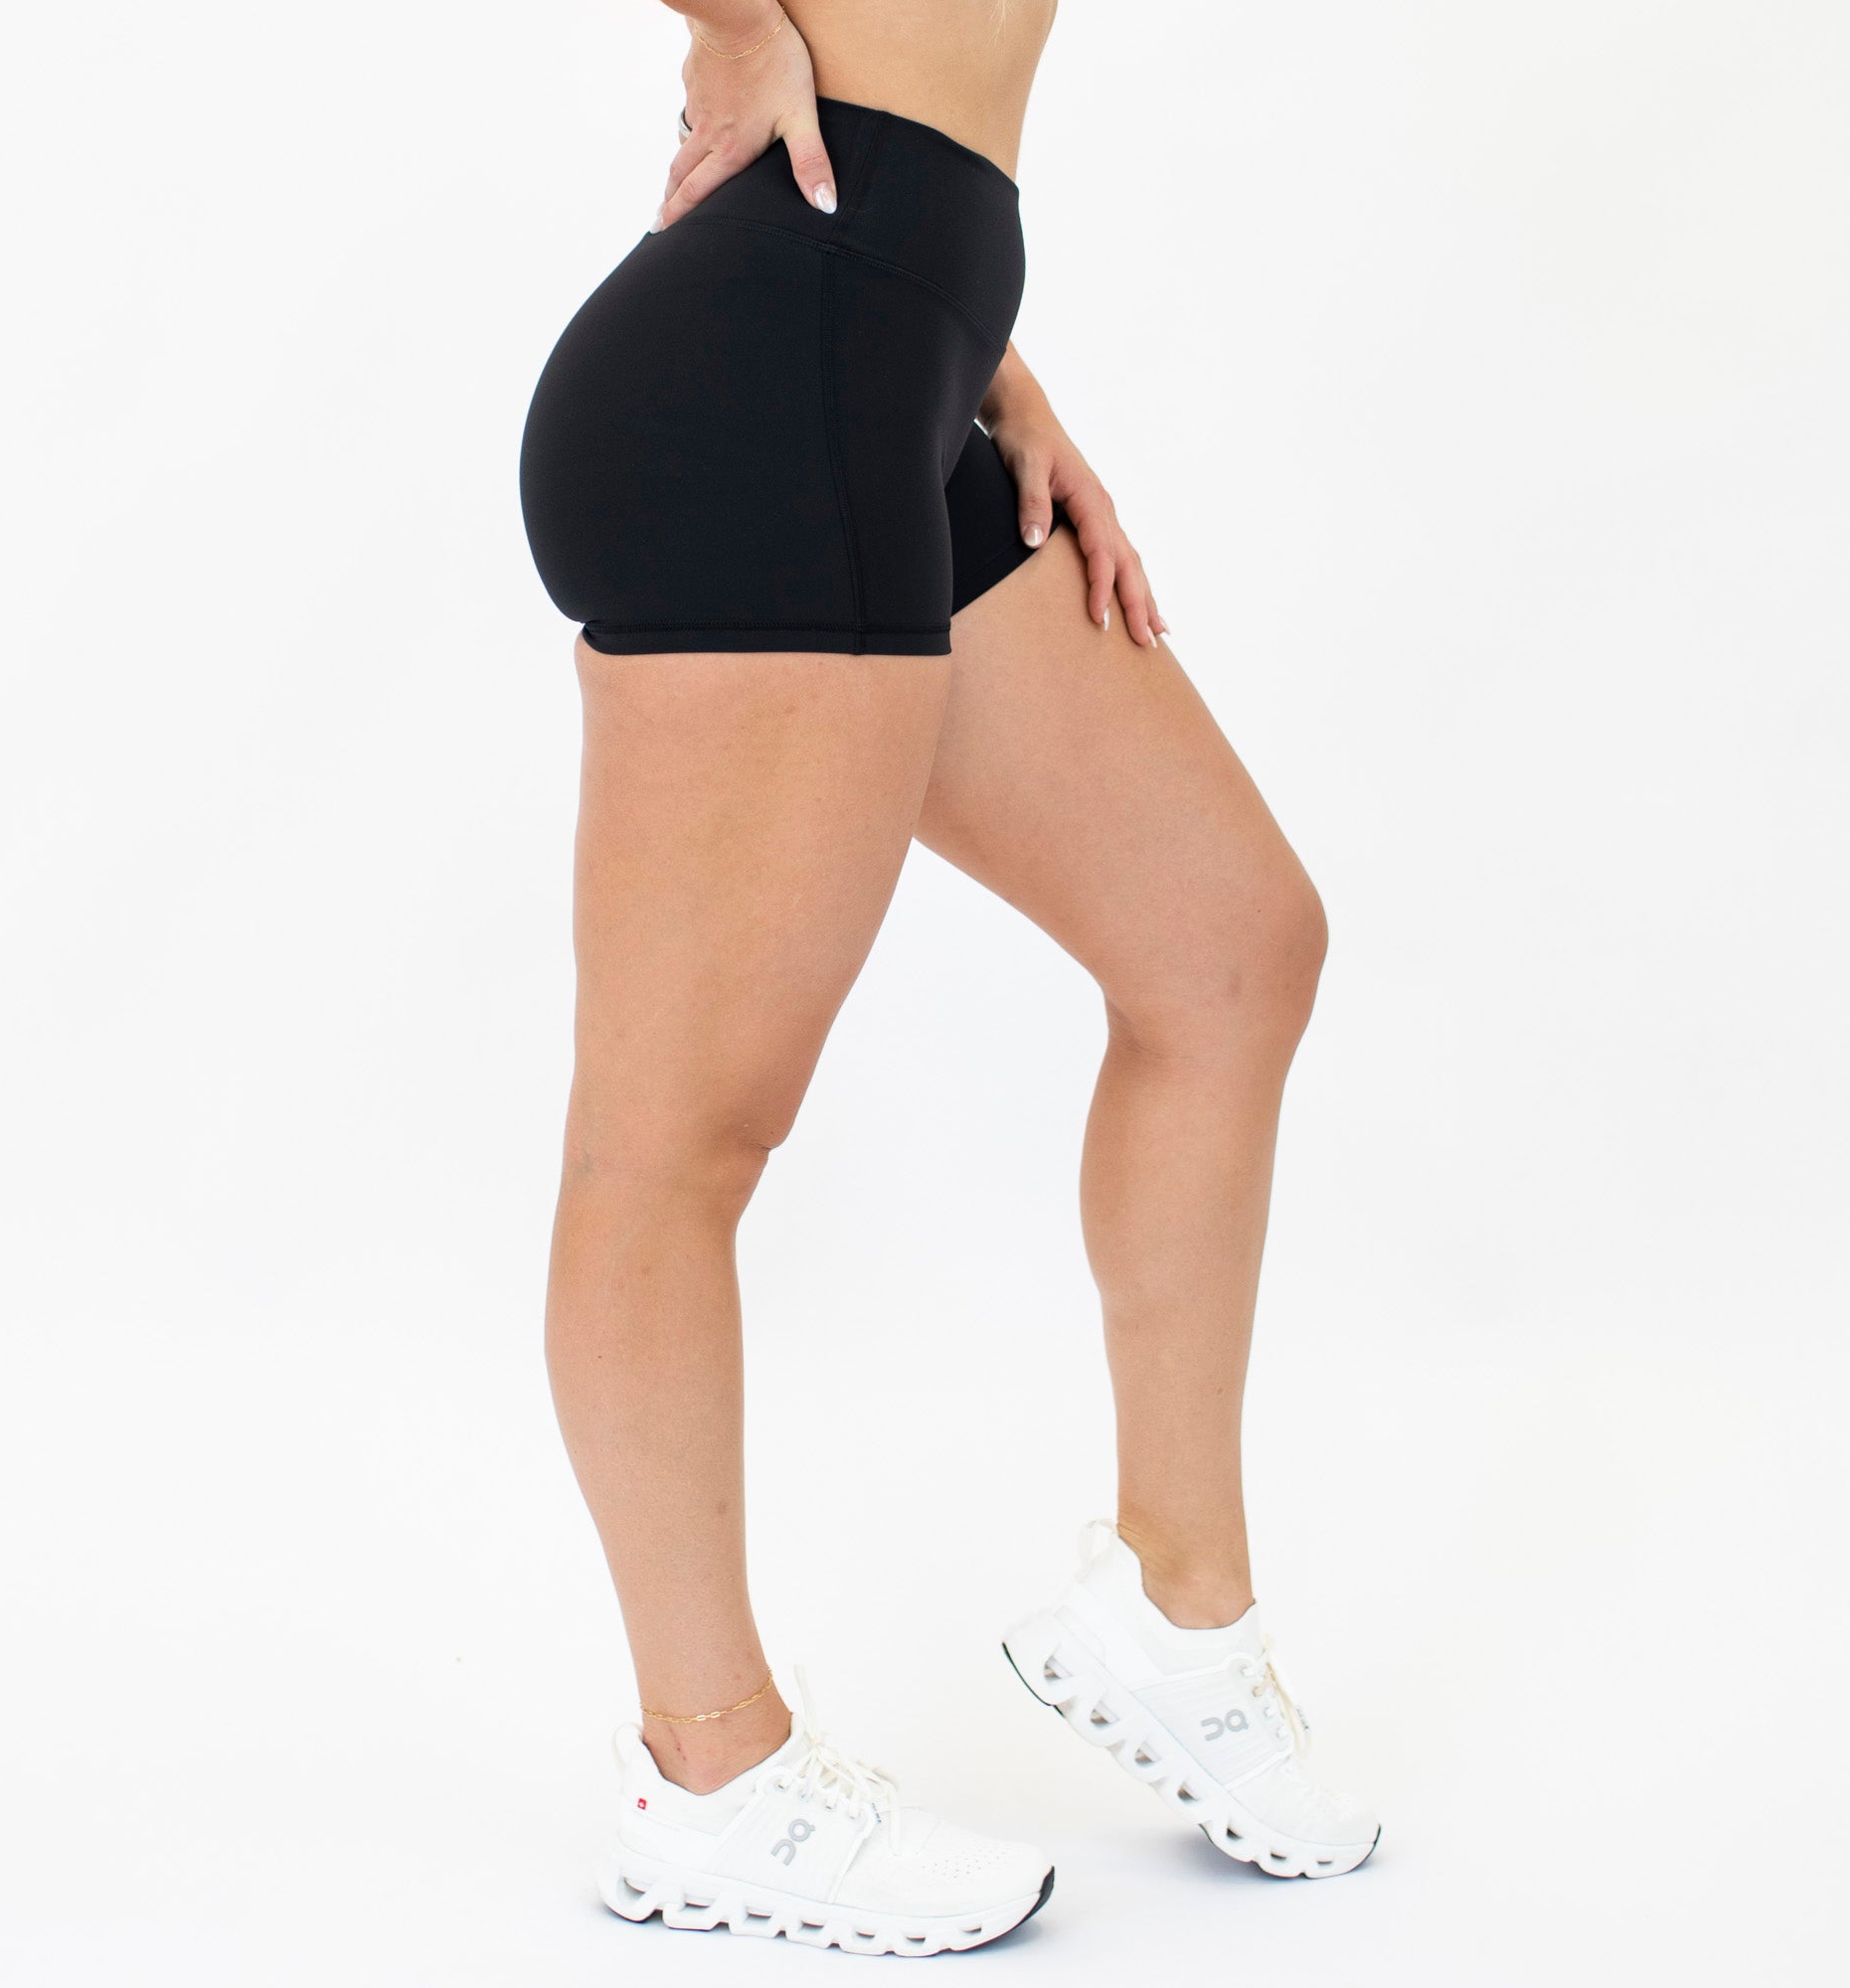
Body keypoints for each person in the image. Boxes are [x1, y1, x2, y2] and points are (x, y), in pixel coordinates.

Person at [518, 0, 1379, 1955]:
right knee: (677, 1138)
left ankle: (1175, 1614)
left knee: (1230, 951)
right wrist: (729, 21)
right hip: (766, 381)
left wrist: (984, 367)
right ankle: (710, 1775)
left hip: (896, 360)